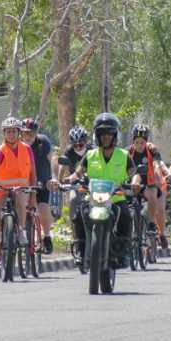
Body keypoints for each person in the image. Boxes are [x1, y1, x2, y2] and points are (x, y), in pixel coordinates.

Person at [71, 113, 142, 268]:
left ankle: (123, 253)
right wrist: (66, 180)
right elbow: (77, 172)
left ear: (115, 135)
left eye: (109, 133)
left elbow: (134, 173)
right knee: (78, 216)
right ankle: (81, 252)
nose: (106, 137)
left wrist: (135, 183)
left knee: (126, 216)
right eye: (102, 134)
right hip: (92, 198)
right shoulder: (90, 155)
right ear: (97, 135)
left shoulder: (123, 155)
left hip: (116, 198)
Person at [0, 117, 36, 267]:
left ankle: (20, 230)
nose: (11, 134)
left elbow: (33, 173)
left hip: (21, 187)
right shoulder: (0, 151)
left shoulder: (27, 149)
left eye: (14, 131)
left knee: (20, 200)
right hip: (2, 188)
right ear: (4, 133)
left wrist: (33, 193)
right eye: (8, 131)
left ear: (19, 132)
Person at [124, 124, 168, 246]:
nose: (139, 145)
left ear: (146, 141)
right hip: (132, 183)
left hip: (149, 182)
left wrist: (158, 175)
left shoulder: (152, 150)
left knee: (153, 193)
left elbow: (156, 164)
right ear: (133, 141)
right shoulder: (126, 152)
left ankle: (151, 224)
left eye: (142, 142)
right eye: (137, 142)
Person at [21, 118, 59, 254]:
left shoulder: (43, 142)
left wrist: (54, 177)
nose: (27, 136)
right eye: (25, 133)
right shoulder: (17, 144)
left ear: (36, 133)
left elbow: (53, 158)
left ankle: (47, 236)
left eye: (31, 133)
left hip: (41, 181)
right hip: (23, 182)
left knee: (43, 207)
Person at [56, 126, 93, 257]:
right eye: (75, 145)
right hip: (75, 183)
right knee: (73, 200)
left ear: (86, 141)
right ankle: (76, 235)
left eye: (81, 144)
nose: (78, 147)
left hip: (93, 184)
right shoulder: (69, 151)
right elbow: (62, 166)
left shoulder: (92, 150)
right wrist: (59, 181)